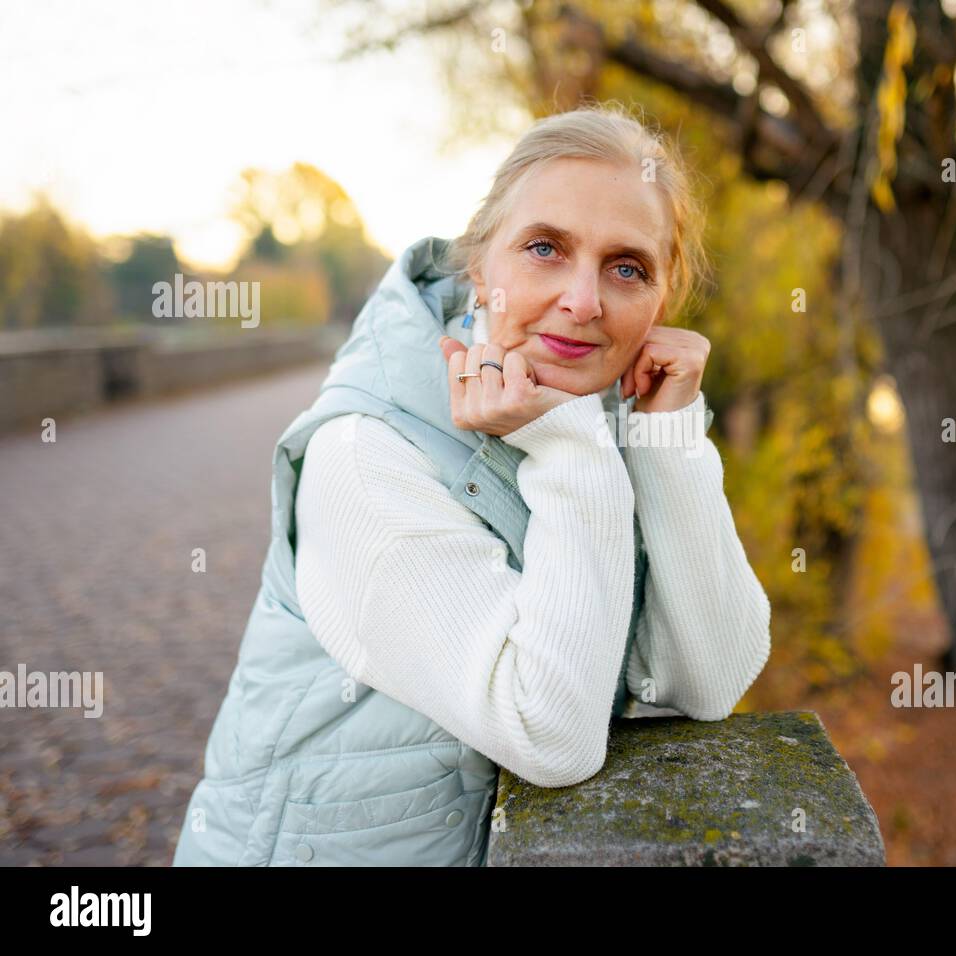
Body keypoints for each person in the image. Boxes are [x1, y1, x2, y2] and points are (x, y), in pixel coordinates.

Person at [173, 102, 771, 867]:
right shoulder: (365, 454)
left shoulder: (607, 412)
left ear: (662, 301)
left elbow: (711, 680)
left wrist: (669, 438)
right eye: (546, 248)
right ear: (480, 267)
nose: (584, 301)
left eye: (628, 268)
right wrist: (569, 450)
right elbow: (550, 735)